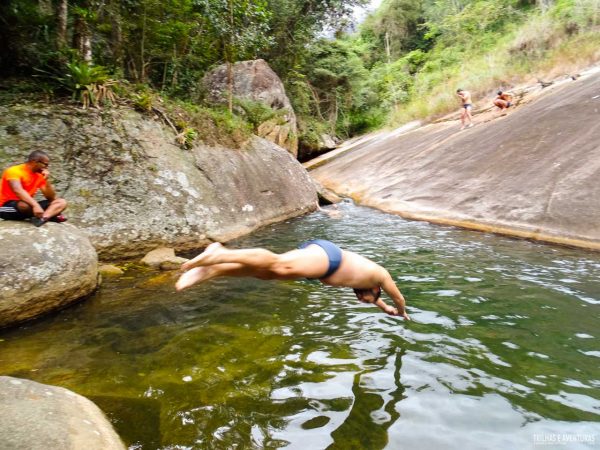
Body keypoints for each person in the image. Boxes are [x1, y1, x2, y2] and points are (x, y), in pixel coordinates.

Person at [176, 240, 410, 319]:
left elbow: (380, 299)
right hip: (329, 257)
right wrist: (401, 311)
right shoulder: (380, 275)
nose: (364, 300)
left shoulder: (365, 284)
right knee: (278, 263)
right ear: (377, 288)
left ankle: (215, 270)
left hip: (322, 266)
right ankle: (220, 253)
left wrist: (384, 308)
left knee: (268, 273)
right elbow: (398, 297)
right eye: (369, 299)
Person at [0, 150, 67, 227]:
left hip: (28, 207)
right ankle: (51, 215)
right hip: (6, 206)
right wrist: (36, 205)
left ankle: (43, 218)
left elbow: (51, 197)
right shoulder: (14, 171)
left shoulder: (39, 175)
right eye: (45, 164)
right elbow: (18, 190)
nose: (46, 167)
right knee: (24, 205)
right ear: (34, 161)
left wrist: (46, 180)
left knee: (61, 202)